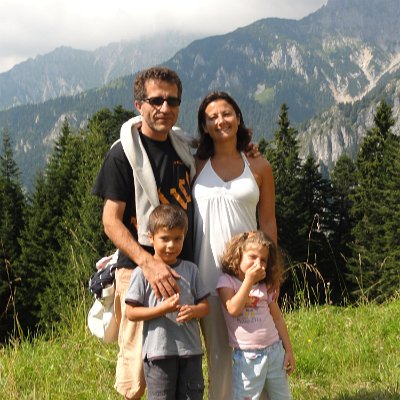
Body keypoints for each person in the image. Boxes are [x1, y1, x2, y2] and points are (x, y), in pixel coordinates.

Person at [92, 66, 196, 400]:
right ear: (139, 105)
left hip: (180, 270)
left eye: (172, 101)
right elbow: (111, 221)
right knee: (136, 372)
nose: (165, 108)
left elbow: (222, 150)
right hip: (138, 271)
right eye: (156, 100)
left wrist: (246, 147)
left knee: (180, 364)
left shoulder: (184, 148)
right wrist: (148, 263)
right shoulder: (123, 153)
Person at [193, 91, 277, 399]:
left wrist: (272, 272)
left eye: (226, 113)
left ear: (238, 118)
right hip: (206, 275)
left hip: (249, 274)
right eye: (212, 117)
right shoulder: (195, 164)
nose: (220, 121)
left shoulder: (259, 165)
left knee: (256, 350)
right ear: (204, 126)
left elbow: (268, 222)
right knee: (219, 355)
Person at [125, 204, 209, 400]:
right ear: (150, 237)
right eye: (164, 238)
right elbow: (131, 312)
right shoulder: (142, 273)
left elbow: (206, 306)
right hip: (158, 354)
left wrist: (194, 311)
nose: (171, 245)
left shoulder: (191, 270)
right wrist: (161, 309)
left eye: (177, 239)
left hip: (191, 352)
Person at [217, 231, 295, 400]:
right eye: (252, 257)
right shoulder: (226, 281)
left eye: (263, 260)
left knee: (282, 397)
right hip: (247, 357)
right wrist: (249, 281)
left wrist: (288, 350)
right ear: (238, 255)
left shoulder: (264, 286)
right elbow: (233, 308)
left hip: (274, 351)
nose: (258, 264)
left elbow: (277, 318)